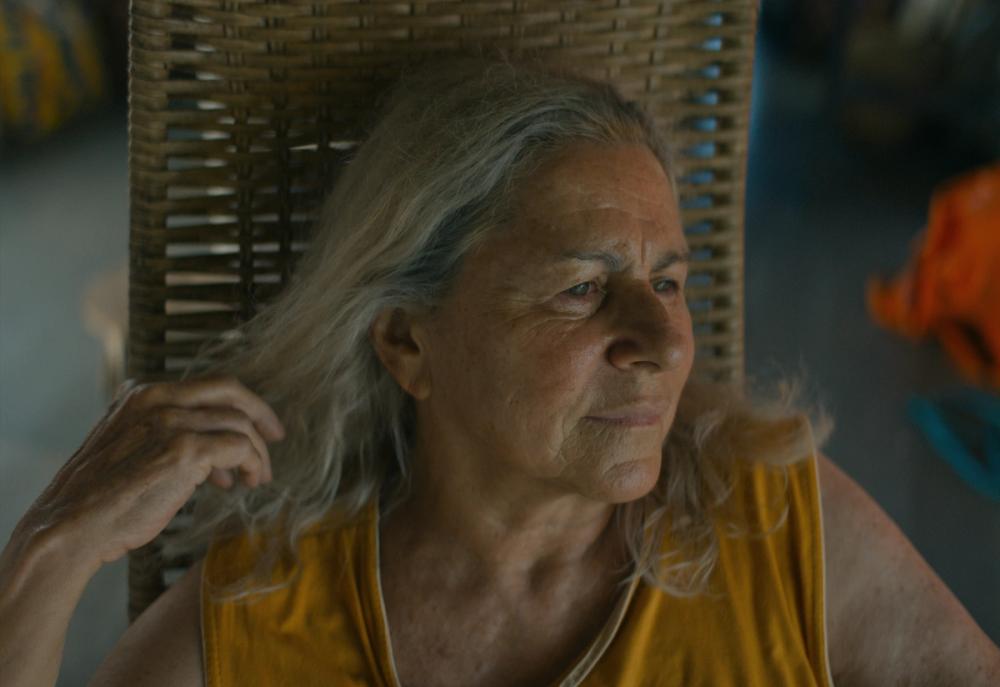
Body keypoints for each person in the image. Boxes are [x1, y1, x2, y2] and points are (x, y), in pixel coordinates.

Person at [2, 52, 998, 687]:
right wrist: (48, 553)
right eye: (582, 289)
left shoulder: (772, 521)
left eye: (668, 280)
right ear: (407, 342)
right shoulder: (267, 623)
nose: (664, 342)